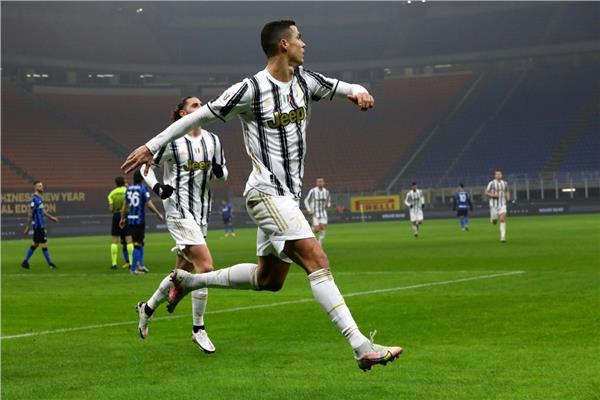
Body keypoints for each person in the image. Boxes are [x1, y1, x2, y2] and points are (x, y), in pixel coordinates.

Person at [122, 20, 402, 371]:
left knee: (269, 280)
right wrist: (152, 146)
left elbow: (344, 86)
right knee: (317, 260)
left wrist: (359, 91)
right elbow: (200, 117)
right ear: (284, 45)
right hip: (266, 192)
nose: (304, 43)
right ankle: (360, 346)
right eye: (299, 38)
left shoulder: (305, 81)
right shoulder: (251, 89)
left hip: (288, 197)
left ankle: (191, 280)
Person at [136, 96, 228, 353]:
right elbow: (145, 168)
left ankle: (147, 308)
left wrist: (220, 172)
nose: (200, 108)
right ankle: (198, 329)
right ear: (182, 114)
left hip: (201, 213)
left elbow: (223, 173)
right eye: (194, 105)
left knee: (181, 273)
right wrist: (158, 187)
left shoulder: (213, 140)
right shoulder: (172, 140)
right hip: (178, 211)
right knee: (205, 267)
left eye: (201, 105)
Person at [119, 170, 164, 274]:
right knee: (138, 244)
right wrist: (158, 213)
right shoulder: (143, 188)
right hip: (139, 220)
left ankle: (141, 265)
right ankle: (133, 269)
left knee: (140, 242)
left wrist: (122, 219)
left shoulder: (129, 189)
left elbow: (124, 206)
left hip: (130, 219)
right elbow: (149, 204)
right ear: (142, 178)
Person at [21, 181, 59, 269]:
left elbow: (42, 211)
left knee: (35, 244)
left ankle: (25, 262)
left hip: (40, 224)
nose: (41, 187)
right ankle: (50, 264)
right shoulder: (34, 199)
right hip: (38, 225)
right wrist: (28, 226)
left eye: (42, 186)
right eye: (39, 186)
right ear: (35, 187)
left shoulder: (39, 198)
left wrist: (51, 217)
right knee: (44, 244)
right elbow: (30, 212)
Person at [108, 176, 132, 270]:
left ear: (116, 183)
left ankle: (114, 263)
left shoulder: (112, 194)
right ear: (123, 182)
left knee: (114, 240)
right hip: (126, 214)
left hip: (116, 215)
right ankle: (131, 262)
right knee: (128, 239)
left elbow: (111, 209)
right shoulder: (127, 191)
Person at [304, 177, 331, 245]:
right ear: (316, 183)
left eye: (321, 181)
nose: (320, 183)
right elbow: (306, 200)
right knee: (317, 230)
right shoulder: (313, 191)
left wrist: (328, 205)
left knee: (322, 228)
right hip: (315, 213)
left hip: (323, 213)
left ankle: (319, 244)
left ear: (324, 183)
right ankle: (311, 230)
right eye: (318, 181)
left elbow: (329, 201)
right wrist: (309, 209)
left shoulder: (326, 192)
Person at [485, 169, 510, 242]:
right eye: (497, 174)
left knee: (502, 220)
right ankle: (492, 219)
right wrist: (493, 195)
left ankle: (503, 237)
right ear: (495, 175)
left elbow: (507, 191)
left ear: (502, 175)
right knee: (494, 221)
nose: (499, 175)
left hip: (502, 204)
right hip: (493, 205)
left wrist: (508, 197)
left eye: (500, 174)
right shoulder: (491, 183)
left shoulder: (505, 183)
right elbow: (486, 192)